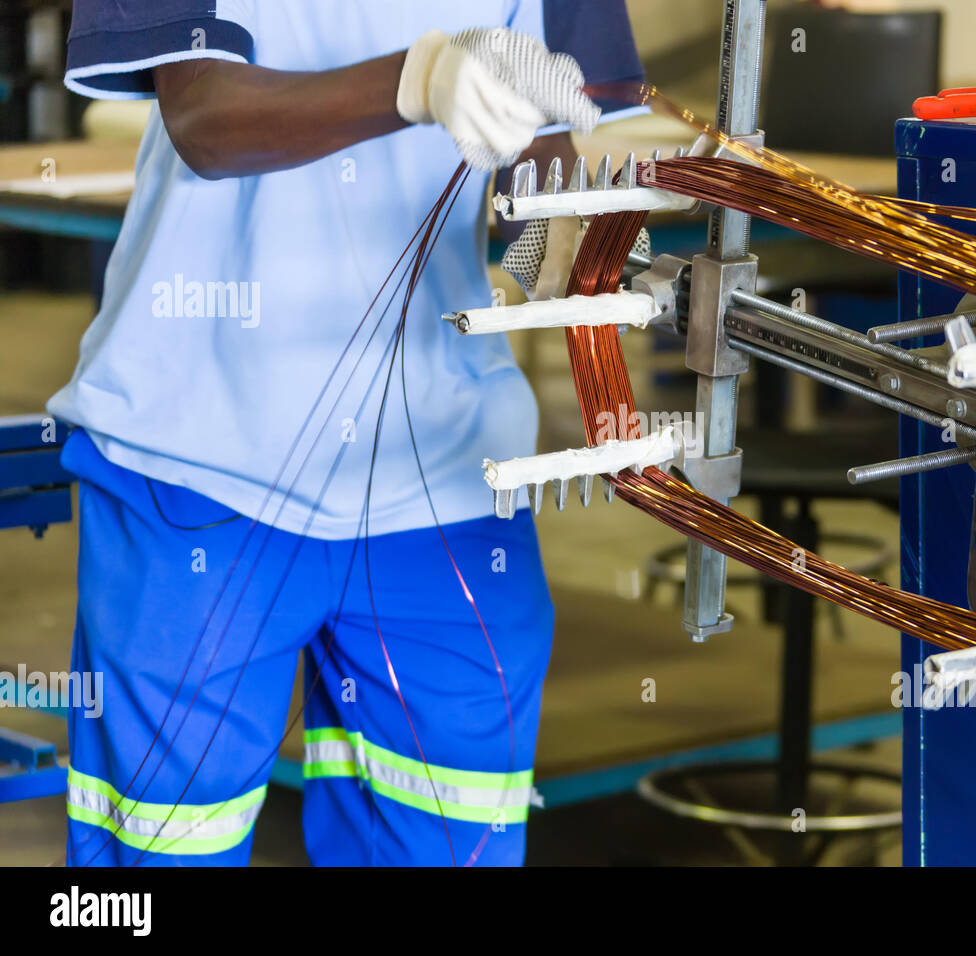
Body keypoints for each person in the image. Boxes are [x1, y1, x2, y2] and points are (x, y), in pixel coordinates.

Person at [52, 0, 644, 867]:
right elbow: (202, 115)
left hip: (442, 471)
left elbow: (535, 177)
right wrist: (418, 78)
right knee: (154, 861)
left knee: (448, 845)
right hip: (197, 458)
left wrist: (563, 255)